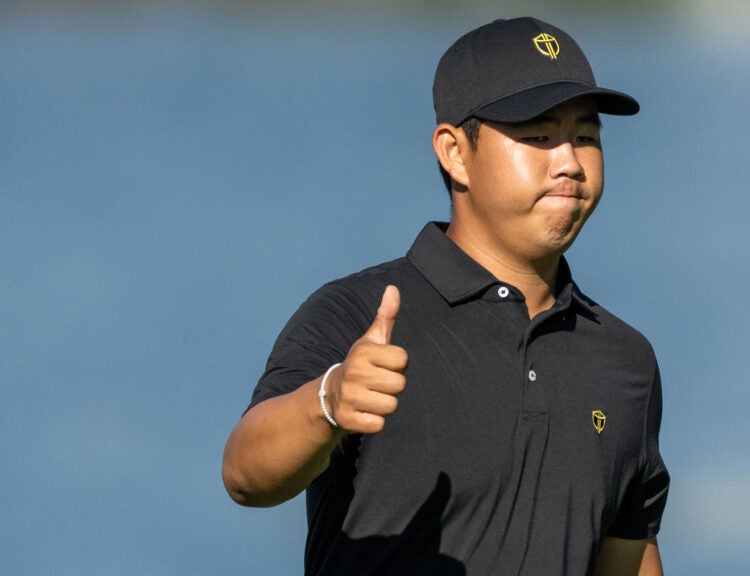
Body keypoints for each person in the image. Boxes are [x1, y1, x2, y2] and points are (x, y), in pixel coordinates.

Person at [222, 16, 670, 576]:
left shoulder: (625, 361)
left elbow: (626, 553)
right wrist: (329, 402)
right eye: (538, 136)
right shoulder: (360, 313)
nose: (569, 163)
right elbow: (245, 475)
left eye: (585, 136)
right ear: (455, 152)